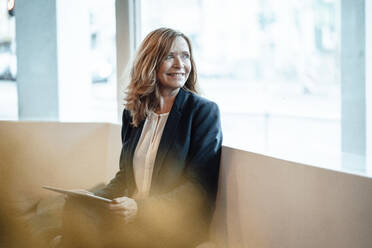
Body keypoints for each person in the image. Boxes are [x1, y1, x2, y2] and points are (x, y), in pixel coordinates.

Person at [61, 27, 222, 248]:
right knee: (75, 208)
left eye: (185, 56)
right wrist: (91, 197)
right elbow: (125, 176)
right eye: (169, 56)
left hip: (170, 225)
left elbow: (198, 190)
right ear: (150, 62)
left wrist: (139, 208)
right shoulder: (133, 112)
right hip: (132, 219)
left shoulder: (203, 112)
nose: (180, 64)